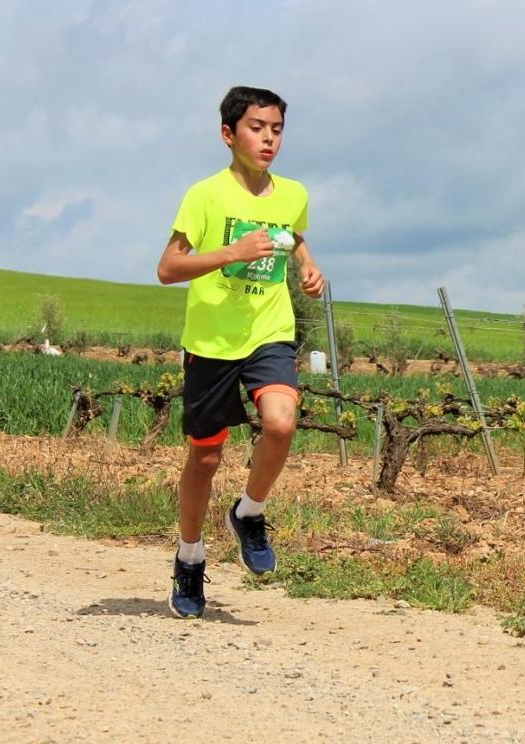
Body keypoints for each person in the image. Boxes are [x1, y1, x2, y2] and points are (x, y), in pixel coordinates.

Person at [156, 86, 325, 618]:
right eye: (257, 128)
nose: (269, 138)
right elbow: (167, 269)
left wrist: (307, 265)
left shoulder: (293, 193)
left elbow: (292, 235)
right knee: (204, 458)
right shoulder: (204, 195)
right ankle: (190, 558)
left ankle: (249, 513)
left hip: (268, 331)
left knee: (280, 423)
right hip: (210, 343)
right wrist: (230, 252)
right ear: (229, 134)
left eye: (276, 129)